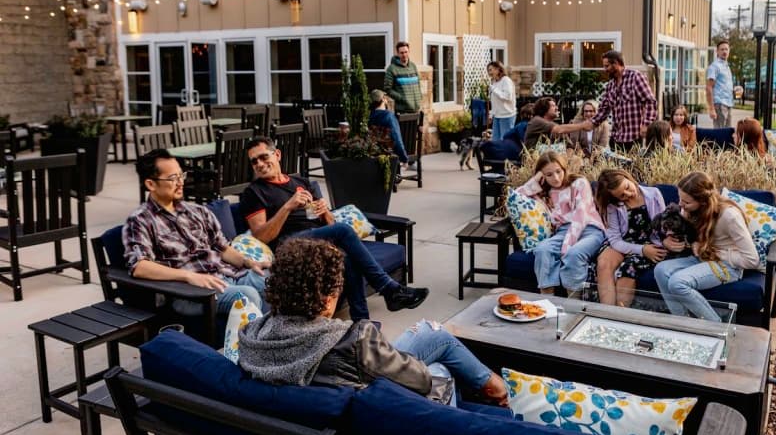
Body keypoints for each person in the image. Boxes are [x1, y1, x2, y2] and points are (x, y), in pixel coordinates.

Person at [238, 238, 507, 406]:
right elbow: (423, 382)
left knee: (430, 332)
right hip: (373, 406)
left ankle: (493, 386)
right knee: (439, 367)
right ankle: (500, 392)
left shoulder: (254, 335)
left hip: (333, 397)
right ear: (329, 298)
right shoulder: (353, 341)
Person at [239, 136, 428, 321]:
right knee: (343, 230)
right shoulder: (254, 192)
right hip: (289, 245)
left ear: (277, 155)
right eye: (254, 161)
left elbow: (330, 224)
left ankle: (362, 322)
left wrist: (325, 212)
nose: (260, 164)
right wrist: (288, 207)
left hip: (315, 239)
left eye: (264, 157)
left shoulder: (303, 183)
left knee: (347, 257)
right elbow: (262, 236)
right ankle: (389, 289)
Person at [123, 149, 270, 315]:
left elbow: (222, 248)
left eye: (181, 175)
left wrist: (249, 263)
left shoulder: (197, 211)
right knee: (247, 295)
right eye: (173, 178)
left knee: (275, 278)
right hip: (191, 293)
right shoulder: (141, 221)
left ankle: (282, 330)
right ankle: (261, 332)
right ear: (151, 184)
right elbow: (139, 266)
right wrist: (188, 276)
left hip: (226, 276)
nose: (180, 182)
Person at [654, 172, 759, 321]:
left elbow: (752, 260)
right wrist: (670, 241)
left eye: (686, 202)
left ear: (703, 202)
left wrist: (713, 251)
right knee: (660, 270)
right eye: (680, 199)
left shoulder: (729, 216)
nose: (681, 205)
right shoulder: (690, 210)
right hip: (703, 258)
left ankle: (716, 327)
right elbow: (691, 238)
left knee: (677, 282)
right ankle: (683, 323)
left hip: (728, 266)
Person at [515, 151, 605, 294]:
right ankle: (548, 299)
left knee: (573, 254)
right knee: (542, 250)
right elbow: (517, 196)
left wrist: (566, 246)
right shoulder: (544, 193)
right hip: (562, 233)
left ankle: (574, 301)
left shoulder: (579, 183)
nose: (556, 178)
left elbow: (580, 217)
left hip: (590, 230)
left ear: (564, 168)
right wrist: (535, 179)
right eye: (549, 174)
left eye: (558, 171)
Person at [594, 170, 674, 306]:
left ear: (628, 178)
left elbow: (664, 224)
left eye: (627, 187)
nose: (628, 194)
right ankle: (606, 313)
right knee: (604, 264)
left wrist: (666, 241)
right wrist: (641, 250)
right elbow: (615, 240)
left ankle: (620, 314)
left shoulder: (654, 194)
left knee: (627, 270)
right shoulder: (613, 205)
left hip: (649, 243)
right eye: (622, 196)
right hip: (623, 243)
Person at [573, 50, 658, 150]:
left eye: (607, 66)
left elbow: (650, 101)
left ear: (616, 63)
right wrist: (589, 123)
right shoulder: (610, 85)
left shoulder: (635, 77)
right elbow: (603, 111)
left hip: (634, 138)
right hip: (616, 139)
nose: (605, 69)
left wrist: (646, 124)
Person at [368, 89, 407, 164]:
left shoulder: (369, 116)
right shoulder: (389, 116)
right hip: (388, 155)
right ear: (383, 99)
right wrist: (404, 158)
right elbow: (396, 138)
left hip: (372, 154)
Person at [384, 41, 421, 114]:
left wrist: (419, 96)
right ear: (398, 53)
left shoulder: (413, 66)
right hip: (402, 111)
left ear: (409, 52)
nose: (404, 55)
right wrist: (402, 98)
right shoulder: (392, 69)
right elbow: (387, 89)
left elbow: (418, 84)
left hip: (416, 109)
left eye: (406, 52)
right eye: (401, 53)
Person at [706, 40, 734, 129]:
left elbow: (724, 86)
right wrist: (711, 108)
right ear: (717, 51)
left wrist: (735, 89)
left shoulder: (727, 66)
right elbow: (709, 87)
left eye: (726, 49)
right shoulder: (714, 66)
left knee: (727, 132)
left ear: (729, 51)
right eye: (722, 49)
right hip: (719, 104)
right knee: (719, 132)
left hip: (728, 103)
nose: (724, 51)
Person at [487, 61, 516, 141]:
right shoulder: (494, 82)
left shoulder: (506, 80)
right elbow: (495, 101)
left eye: (491, 70)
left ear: (498, 69)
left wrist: (493, 89)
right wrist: (491, 114)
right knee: (495, 141)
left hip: (507, 116)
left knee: (505, 141)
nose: (489, 73)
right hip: (497, 116)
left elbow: (507, 96)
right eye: (488, 70)